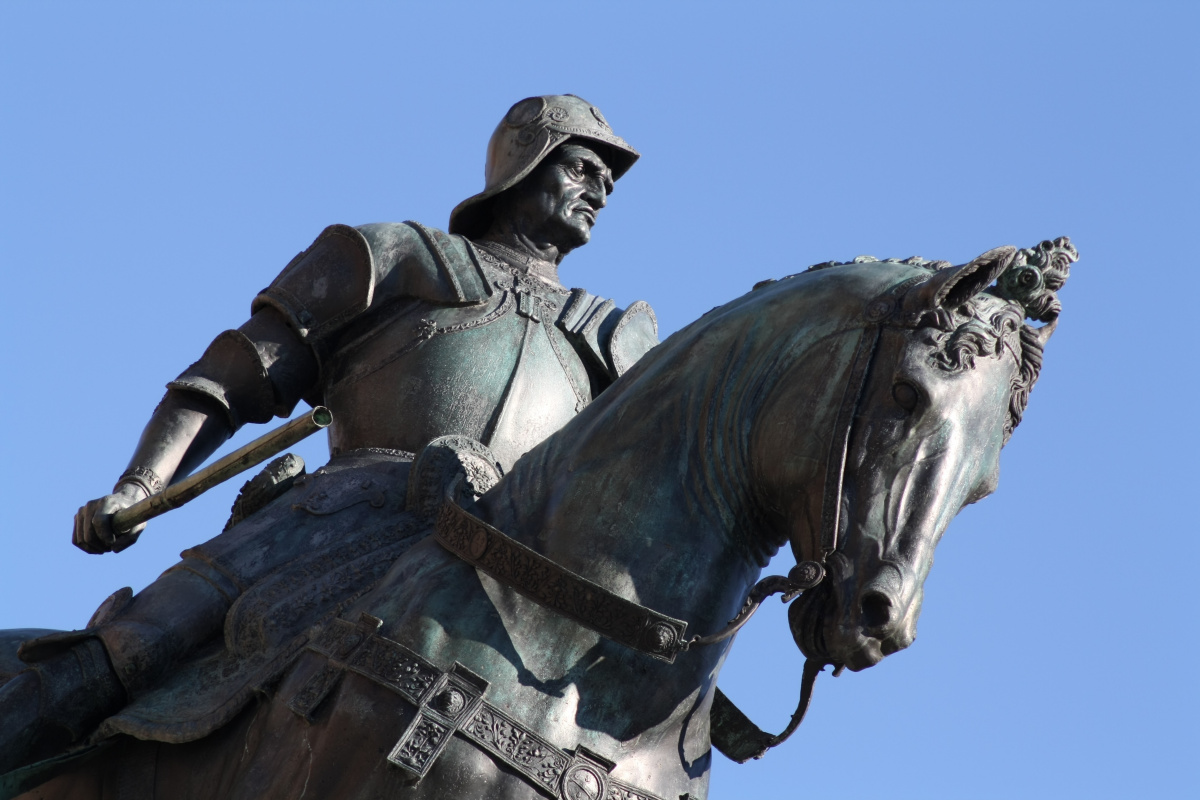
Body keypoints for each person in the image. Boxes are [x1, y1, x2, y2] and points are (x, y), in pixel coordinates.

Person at [0, 94, 659, 775]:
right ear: (526, 161)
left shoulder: (614, 341)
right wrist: (139, 485)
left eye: (609, 182)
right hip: (338, 517)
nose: (600, 193)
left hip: (511, 562)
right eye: (584, 169)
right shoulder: (399, 256)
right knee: (137, 647)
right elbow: (230, 376)